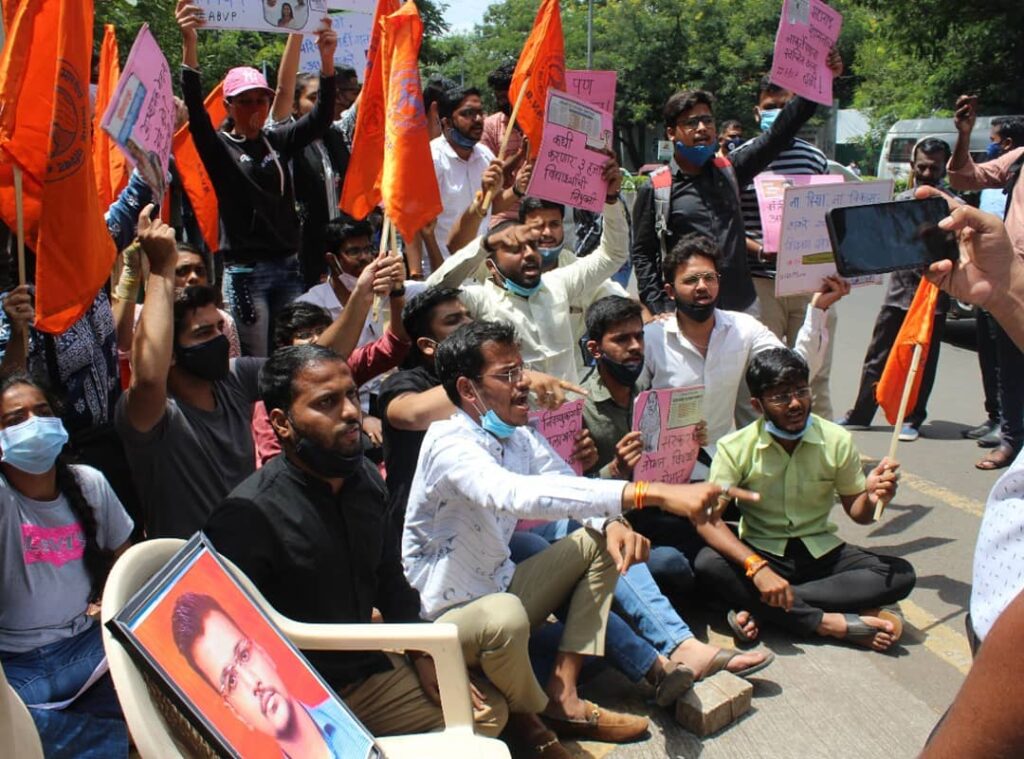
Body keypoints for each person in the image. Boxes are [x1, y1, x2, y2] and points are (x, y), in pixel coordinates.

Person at [402, 320, 758, 752]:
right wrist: (652, 493)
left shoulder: (517, 436)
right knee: (506, 618)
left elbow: (564, 485)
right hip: (455, 618)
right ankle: (531, 719)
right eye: (507, 375)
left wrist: (611, 522)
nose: (523, 386)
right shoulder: (449, 441)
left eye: (522, 370)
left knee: (600, 542)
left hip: (501, 590)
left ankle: (563, 693)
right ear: (467, 388)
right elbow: (512, 493)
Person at [205, 344, 508, 738]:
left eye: (350, 395)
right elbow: (227, 641)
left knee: (486, 715)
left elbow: (388, 576)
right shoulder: (247, 516)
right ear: (281, 423)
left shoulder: (364, 478)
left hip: (363, 672)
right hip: (293, 697)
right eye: (327, 402)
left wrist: (421, 653)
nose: (350, 411)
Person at [115, 207, 397, 538]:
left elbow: (319, 360)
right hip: (192, 566)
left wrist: (363, 292)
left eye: (219, 328)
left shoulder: (235, 378)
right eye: (203, 334)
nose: (219, 339)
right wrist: (161, 269)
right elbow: (148, 377)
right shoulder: (152, 414)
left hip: (252, 547)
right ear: (171, 355)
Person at [694, 348, 915, 651]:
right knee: (708, 563)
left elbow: (859, 513)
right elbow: (708, 520)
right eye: (781, 397)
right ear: (757, 405)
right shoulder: (735, 447)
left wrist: (876, 495)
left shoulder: (836, 439)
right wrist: (758, 570)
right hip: (762, 551)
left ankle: (764, 608)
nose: (796, 403)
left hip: (820, 552)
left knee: (900, 575)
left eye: (801, 391)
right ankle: (830, 624)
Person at [176, 1, 338, 356]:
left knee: (294, 354)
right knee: (257, 360)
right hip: (247, 274)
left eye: (261, 100)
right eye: (244, 101)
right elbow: (197, 114)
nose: (255, 109)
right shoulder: (219, 148)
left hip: (288, 266)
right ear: (230, 106)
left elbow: (321, 118)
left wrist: (326, 62)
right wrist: (189, 42)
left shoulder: (277, 141)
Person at [630, 49, 842, 316]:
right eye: (691, 122)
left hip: (742, 309)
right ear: (672, 133)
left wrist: (820, 80)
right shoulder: (657, 188)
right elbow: (643, 254)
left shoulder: (732, 170)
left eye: (707, 120)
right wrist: (659, 306)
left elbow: (780, 133)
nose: (702, 128)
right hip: (687, 315)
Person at [0, 374, 133, 757]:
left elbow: (125, 560)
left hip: (87, 651)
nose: (34, 424)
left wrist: (106, 602)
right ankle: (112, 738)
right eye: (15, 419)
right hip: (16, 670)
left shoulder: (89, 483)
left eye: (42, 412)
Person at [426, 163, 628, 384]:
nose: (530, 253)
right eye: (516, 247)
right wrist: (484, 243)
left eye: (533, 246)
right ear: (492, 264)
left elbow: (613, 255)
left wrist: (610, 200)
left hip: (568, 408)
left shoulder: (559, 282)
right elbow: (433, 294)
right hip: (514, 415)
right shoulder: (481, 299)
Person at [732, 75, 836, 418]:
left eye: (785, 106)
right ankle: (763, 454)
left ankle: (822, 453)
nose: (777, 112)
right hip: (761, 284)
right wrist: (759, 249)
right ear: (756, 110)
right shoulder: (740, 159)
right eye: (770, 107)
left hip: (810, 284)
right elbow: (727, 222)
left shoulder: (815, 159)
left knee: (815, 374)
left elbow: (828, 218)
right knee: (761, 374)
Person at [837, 138, 953, 440]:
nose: (927, 173)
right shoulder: (897, 202)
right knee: (878, 356)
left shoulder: (954, 207)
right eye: (922, 166)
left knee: (922, 362)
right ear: (913, 166)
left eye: (934, 167)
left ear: (945, 168)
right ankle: (861, 413)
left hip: (932, 298)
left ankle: (913, 419)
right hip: (898, 295)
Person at [172, 592, 368, 757]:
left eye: (244, 655)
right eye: (231, 681)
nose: (253, 682)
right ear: (235, 711)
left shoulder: (349, 720)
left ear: (264, 654)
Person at [946, 97, 1024, 469]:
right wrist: (964, 135)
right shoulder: (1018, 159)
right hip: (1010, 283)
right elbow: (963, 177)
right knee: (1009, 366)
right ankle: (1011, 439)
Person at [429, 85, 521, 264]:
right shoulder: (431, 160)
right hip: (441, 266)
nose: (478, 119)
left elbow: (492, 205)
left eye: (480, 112)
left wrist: (518, 189)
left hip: (480, 265)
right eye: (468, 114)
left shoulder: (485, 155)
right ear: (446, 122)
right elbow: (419, 227)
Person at [480, 60, 526, 225]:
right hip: (505, 218)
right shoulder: (490, 126)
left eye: (508, 97)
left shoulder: (546, 123)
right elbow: (490, 179)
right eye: (499, 98)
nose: (503, 103)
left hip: (545, 214)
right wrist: (521, 155)